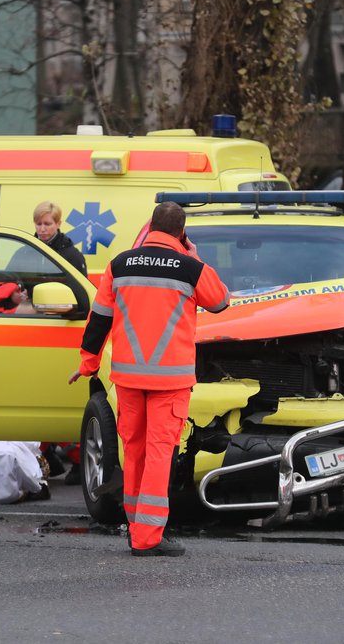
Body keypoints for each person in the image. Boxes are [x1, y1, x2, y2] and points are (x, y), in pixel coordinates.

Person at [68, 202, 229, 557]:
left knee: (134, 450)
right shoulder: (190, 268)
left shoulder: (119, 265)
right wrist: (196, 257)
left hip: (127, 377)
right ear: (181, 234)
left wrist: (88, 363)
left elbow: (99, 320)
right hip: (169, 381)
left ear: (150, 226)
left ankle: (135, 525)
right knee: (159, 454)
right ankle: (147, 537)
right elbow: (220, 302)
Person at [8, 201, 87, 277]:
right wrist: (17, 290)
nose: (42, 229)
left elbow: (80, 289)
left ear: (58, 224)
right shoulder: (23, 253)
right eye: (38, 224)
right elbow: (8, 281)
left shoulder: (73, 255)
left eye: (47, 224)